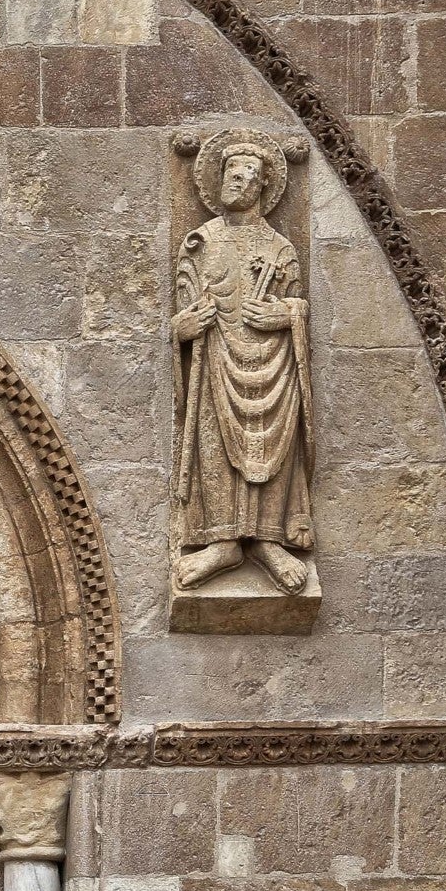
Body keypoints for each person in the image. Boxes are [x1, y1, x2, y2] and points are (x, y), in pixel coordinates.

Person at [172, 130, 314, 594]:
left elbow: (296, 303)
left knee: (272, 441)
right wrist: (183, 329)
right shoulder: (199, 242)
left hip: (273, 364)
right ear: (217, 180)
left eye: (250, 172)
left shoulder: (280, 248)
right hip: (217, 360)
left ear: (264, 185)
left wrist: (286, 315)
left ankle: (269, 541)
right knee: (214, 437)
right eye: (231, 171)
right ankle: (222, 543)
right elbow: (183, 306)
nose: (239, 179)